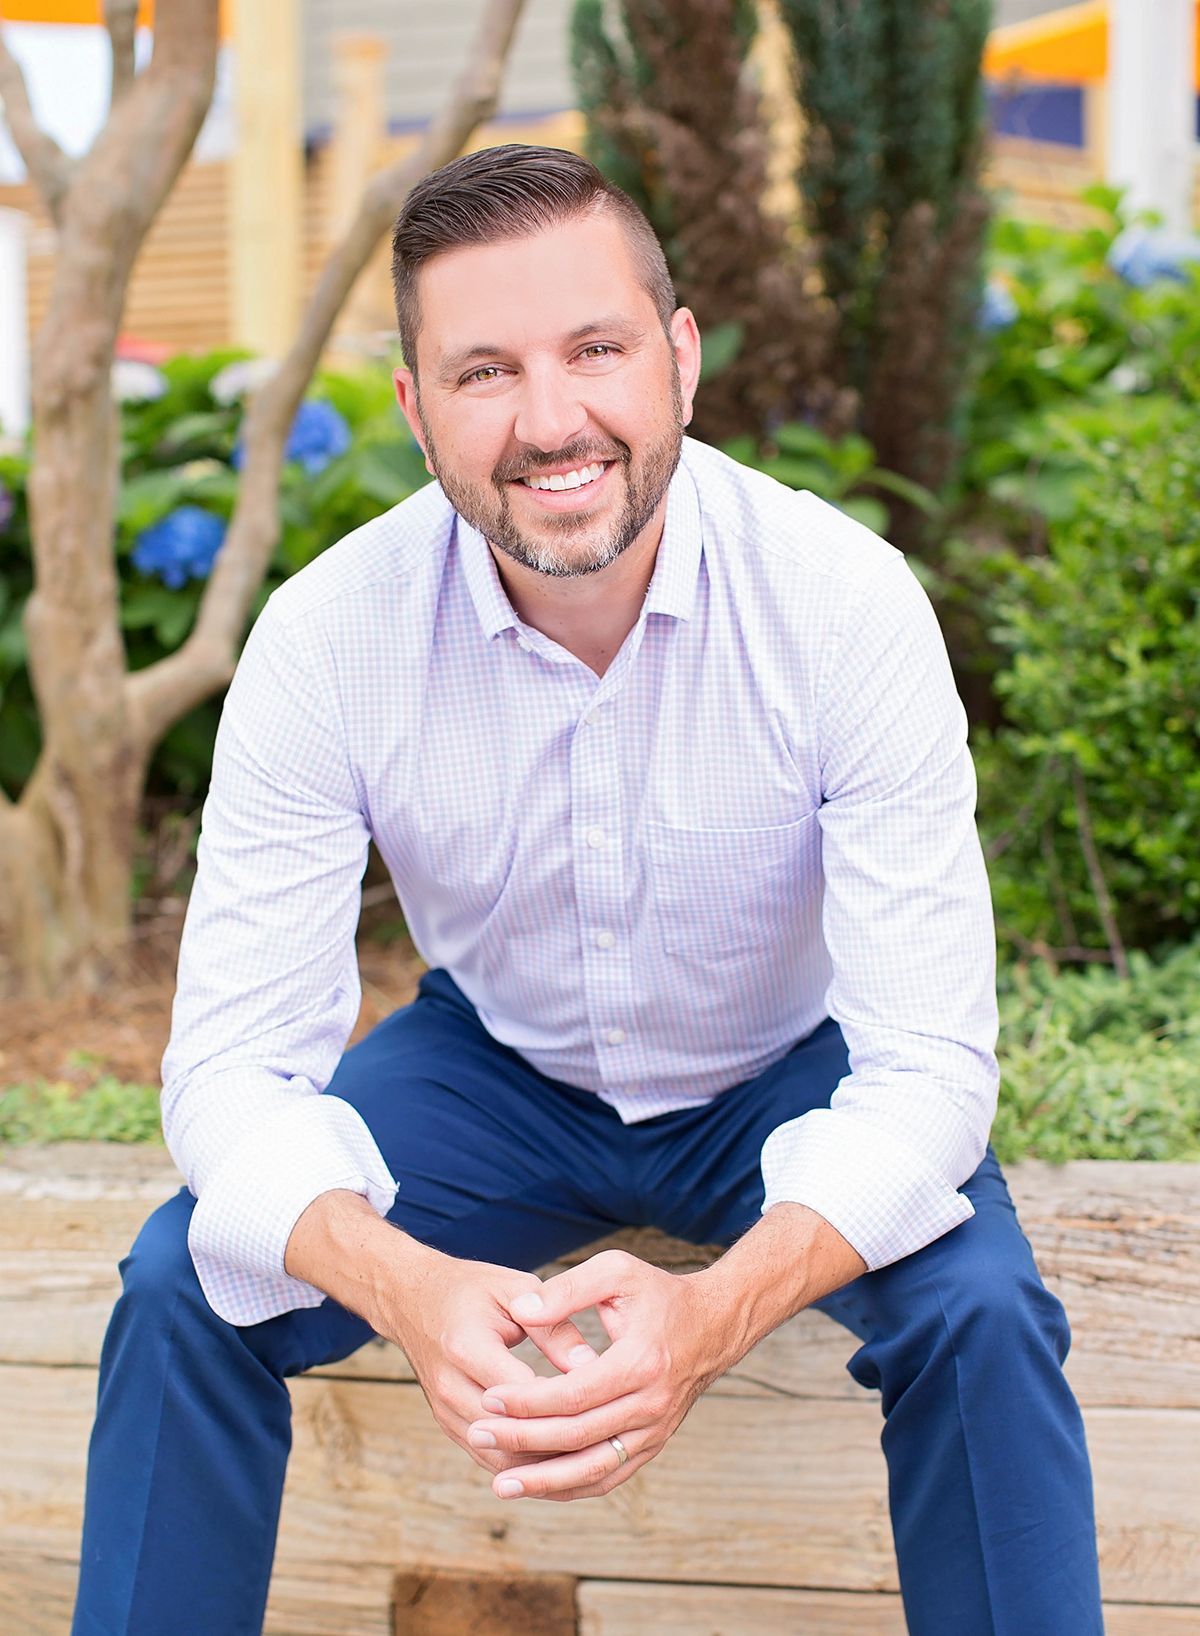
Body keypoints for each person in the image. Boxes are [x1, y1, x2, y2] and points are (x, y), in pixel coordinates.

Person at [71, 144, 1103, 1636]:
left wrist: (713, 1316)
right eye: (484, 371)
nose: (552, 422)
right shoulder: (326, 639)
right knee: (185, 1284)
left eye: (598, 351)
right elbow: (228, 1077)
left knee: (986, 1316)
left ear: (679, 360)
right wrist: (408, 1286)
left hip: (784, 1071)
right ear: (417, 410)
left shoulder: (845, 603)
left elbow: (934, 1073)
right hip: (495, 1068)